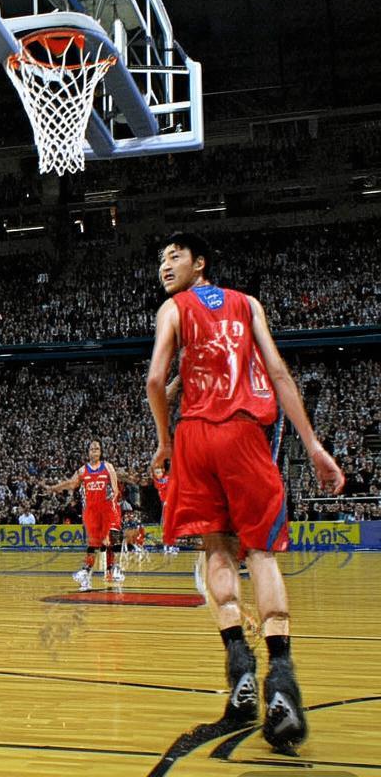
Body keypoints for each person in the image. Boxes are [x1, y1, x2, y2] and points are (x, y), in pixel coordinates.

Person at [145, 232, 345, 754]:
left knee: (216, 549)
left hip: (195, 437)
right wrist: (314, 445)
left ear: (200, 263)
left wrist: (165, 442)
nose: (165, 265)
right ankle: (281, 679)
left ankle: (239, 667)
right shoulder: (247, 304)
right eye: (161, 259)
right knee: (261, 552)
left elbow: (155, 380)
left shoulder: (174, 310)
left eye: (174, 256)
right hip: (244, 434)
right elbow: (277, 372)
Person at [44, 440, 124, 589]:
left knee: (112, 539)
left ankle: (112, 568)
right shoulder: (82, 471)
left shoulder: (108, 467)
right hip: (92, 512)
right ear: (88, 452)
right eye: (92, 449)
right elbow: (70, 484)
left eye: (97, 448)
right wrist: (53, 488)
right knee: (93, 545)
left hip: (106, 509)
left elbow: (115, 490)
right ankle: (87, 575)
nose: (94, 451)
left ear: (100, 452)